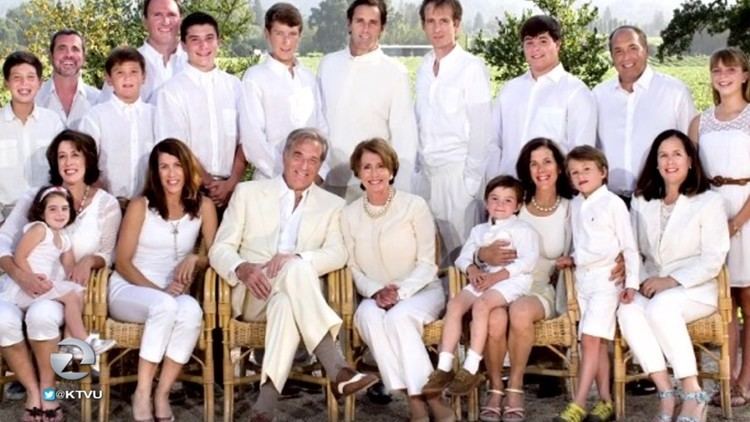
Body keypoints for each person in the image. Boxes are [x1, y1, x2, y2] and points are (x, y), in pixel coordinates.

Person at [208, 128, 378, 421]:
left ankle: (265, 406)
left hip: (293, 297)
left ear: (319, 165)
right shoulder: (248, 193)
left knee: (287, 299)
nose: (304, 165)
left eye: (313, 160)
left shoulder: (333, 205)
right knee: (293, 275)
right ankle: (336, 366)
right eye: (298, 155)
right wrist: (242, 268)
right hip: (252, 293)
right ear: (285, 156)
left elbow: (338, 253)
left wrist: (298, 258)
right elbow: (219, 248)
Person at [0, 129, 121, 422]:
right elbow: (3, 240)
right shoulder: (36, 197)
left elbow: (109, 253)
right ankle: (32, 392)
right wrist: (20, 275)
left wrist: (89, 260)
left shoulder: (107, 204)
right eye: (62, 156)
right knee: (2, 318)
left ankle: (49, 391)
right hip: (20, 281)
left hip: (59, 288)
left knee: (42, 316)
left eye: (75, 154)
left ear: (88, 159)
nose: (68, 162)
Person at [619, 129, 729, 422]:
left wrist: (670, 282)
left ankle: (693, 394)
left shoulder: (709, 202)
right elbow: (633, 250)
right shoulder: (642, 201)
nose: (670, 161)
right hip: (651, 285)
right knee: (628, 309)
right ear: (655, 163)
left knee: (661, 308)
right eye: (663, 155)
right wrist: (639, 280)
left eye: (677, 154)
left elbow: (714, 257)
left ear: (691, 161)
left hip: (694, 289)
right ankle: (667, 394)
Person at [340, 138, 454, 422]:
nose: (374, 173)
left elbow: (428, 263)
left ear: (392, 170)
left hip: (421, 290)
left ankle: (431, 397)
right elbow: (352, 267)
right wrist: (377, 291)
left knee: (398, 318)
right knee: (367, 317)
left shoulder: (414, 206)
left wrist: (399, 293)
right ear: (358, 173)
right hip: (374, 295)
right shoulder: (349, 214)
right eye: (367, 167)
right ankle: (415, 399)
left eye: (381, 166)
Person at [108, 138, 217, 422]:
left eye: (177, 166)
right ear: (155, 173)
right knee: (166, 307)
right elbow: (122, 261)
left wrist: (196, 259)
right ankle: (142, 392)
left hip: (171, 293)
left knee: (191, 310)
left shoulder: (204, 206)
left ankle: (163, 393)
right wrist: (160, 292)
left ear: (188, 169)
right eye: (164, 167)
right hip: (129, 288)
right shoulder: (140, 206)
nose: (171, 174)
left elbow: (217, 255)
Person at [477, 138, 574, 422]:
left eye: (547, 161)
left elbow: (587, 248)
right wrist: (483, 253)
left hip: (541, 287)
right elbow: (482, 240)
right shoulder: (515, 204)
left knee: (519, 312)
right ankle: (496, 389)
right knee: (495, 318)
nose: (540, 169)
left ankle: (516, 387)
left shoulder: (570, 208)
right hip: (504, 284)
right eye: (533, 163)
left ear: (559, 167)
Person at [422, 176, 539, 396]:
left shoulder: (524, 230)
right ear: (486, 202)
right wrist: (473, 270)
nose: (500, 205)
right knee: (455, 305)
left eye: (507, 200)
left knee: (482, 305)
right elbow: (463, 258)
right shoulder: (479, 231)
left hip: (511, 281)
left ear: (518, 205)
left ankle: (471, 366)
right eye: (494, 199)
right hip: (483, 277)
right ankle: (444, 366)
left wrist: (496, 278)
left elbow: (527, 262)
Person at [555, 145, 640, 422]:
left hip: (607, 280)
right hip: (584, 281)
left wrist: (633, 283)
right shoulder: (577, 204)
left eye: (587, 170)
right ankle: (605, 401)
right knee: (597, 341)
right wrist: (573, 258)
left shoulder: (613, 203)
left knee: (589, 338)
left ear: (603, 172)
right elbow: (585, 243)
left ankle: (578, 403)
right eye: (574, 172)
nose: (580, 176)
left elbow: (628, 246)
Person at [689, 47, 750, 406]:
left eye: (731, 69)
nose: (723, 75)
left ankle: (747, 379)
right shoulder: (701, 121)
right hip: (713, 216)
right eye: (717, 70)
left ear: (745, 75)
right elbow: (693, 177)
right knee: (723, 300)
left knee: (748, 298)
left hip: (746, 213)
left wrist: (739, 221)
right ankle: (726, 377)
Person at [415, 0, 492, 263]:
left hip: (458, 175)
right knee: (433, 254)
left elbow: (482, 128)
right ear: (424, 26)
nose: (437, 28)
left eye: (444, 21)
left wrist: (470, 184)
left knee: (463, 255)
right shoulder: (424, 66)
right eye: (430, 21)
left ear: (456, 25)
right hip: (427, 175)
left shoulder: (471, 67)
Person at [318, 0, 418, 201]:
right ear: (349, 23)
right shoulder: (328, 64)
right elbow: (317, 121)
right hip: (326, 180)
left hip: (371, 185)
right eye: (360, 21)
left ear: (382, 28)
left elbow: (404, 135)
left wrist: (399, 191)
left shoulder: (395, 72)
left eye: (373, 22)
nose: (365, 28)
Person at [0, 185, 115, 355]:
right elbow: (19, 256)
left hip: (43, 285)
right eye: (52, 209)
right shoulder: (39, 229)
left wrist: (76, 279)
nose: (60, 214)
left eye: (64, 209)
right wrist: (30, 278)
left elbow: (70, 265)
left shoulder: (63, 236)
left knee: (77, 292)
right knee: (70, 296)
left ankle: (70, 343)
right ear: (41, 212)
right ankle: (86, 341)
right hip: (24, 288)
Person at [594, 25, 696, 204]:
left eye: (633, 48)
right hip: (610, 201)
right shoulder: (598, 95)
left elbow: (692, 148)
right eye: (618, 51)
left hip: (661, 198)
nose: (626, 57)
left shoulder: (675, 92)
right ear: (612, 57)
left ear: (646, 50)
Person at [154, 11, 245, 209]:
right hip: (190, 189)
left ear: (218, 42)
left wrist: (231, 183)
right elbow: (177, 147)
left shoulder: (235, 86)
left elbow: (246, 139)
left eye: (209, 38)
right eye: (195, 40)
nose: (203, 46)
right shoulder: (170, 92)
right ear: (183, 45)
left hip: (232, 190)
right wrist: (208, 183)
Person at [487, 15, 596, 179]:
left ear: (557, 44)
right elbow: (493, 141)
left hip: (552, 194)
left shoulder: (576, 92)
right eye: (529, 42)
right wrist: (495, 181)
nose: (535, 48)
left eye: (543, 41)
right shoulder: (510, 89)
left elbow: (581, 154)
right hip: (509, 192)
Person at [239, 2, 327, 181]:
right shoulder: (255, 77)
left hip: (310, 180)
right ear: (267, 34)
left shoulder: (309, 78)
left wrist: (319, 173)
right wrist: (286, 176)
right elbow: (252, 138)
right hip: (271, 179)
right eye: (279, 33)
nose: (286, 42)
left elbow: (322, 129)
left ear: (300, 36)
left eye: (292, 34)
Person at [77, 47, 155, 203]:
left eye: (133, 72)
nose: (127, 79)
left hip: (149, 204)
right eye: (120, 73)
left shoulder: (155, 115)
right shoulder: (95, 116)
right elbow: (83, 162)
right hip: (106, 203)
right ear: (109, 79)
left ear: (143, 77)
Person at [1, 51, 65, 223]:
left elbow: (63, 167)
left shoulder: (53, 122)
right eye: (17, 77)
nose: (24, 84)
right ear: (7, 82)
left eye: (30, 77)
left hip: (46, 216)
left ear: (40, 83)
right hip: (4, 216)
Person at [100, 0, 186, 103]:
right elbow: (107, 113)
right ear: (145, 21)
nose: (165, 22)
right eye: (157, 15)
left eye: (171, 15)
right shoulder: (122, 64)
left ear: (181, 20)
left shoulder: (196, 63)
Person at [36, 29, 100, 127]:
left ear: (84, 57)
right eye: (62, 48)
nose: (69, 55)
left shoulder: (98, 101)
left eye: (75, 49)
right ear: (51, 56)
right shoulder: (34, 99)